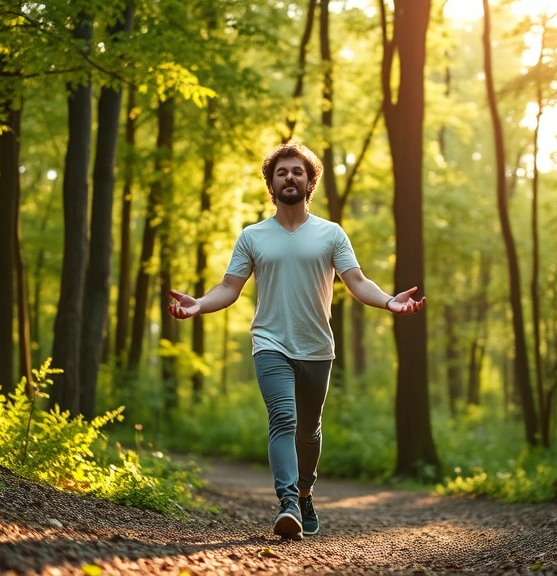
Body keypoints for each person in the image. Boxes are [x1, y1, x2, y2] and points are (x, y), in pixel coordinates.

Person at [168, 143, 424, 540]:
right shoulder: (253, 236)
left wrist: (390, 301)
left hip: (317, 348)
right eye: (282, 172)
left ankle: (305, 492)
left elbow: (356, 282)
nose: (290, 177)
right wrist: (197, 306)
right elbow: (229, 288)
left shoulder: (331, 234)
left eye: (298, 172)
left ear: (309, 182)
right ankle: (287, 503)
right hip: (270, 344)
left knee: (309, 432)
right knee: (283, 419)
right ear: (271, 184)